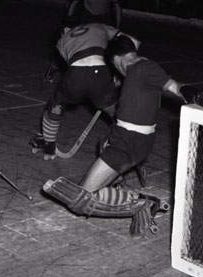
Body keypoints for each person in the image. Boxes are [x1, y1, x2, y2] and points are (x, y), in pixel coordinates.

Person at [42, 34, 191, 237]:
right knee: (102, 146)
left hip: (129, 142)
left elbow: (176, 88)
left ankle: (142, 204)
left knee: (80, 201)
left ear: (116, 59)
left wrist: (199, 97)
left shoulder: (143, 68)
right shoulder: (135, 70)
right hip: (125, 137)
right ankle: (121, 187)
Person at [31, 19, 137, 160]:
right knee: (116, 114)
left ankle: (49, 146)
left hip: (76, 75)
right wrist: (120, 73)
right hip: (100, 72)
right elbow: (132, 41)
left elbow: (77, 65)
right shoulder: (99, 26)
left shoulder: (61, 42)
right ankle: (128, 144)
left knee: (56, 106)